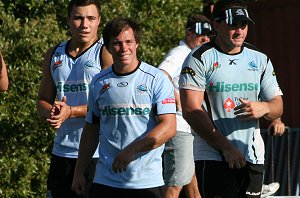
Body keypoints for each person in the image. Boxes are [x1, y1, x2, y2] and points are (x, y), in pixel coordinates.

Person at [179, 0, 283, 197]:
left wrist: (265, 108)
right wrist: (226, 147)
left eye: (243, 25)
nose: (239, 31)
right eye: (232, 25)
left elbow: (278, 105)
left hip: (252, 155)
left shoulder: (260, 58)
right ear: (216, 25)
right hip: (213, 155)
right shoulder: (199, 58)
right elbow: (191, 111)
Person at [71, 17, 176, 198]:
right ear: (108, 47)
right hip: (105, 181)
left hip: (146, 182)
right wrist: (79, 172)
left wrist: (132, 149)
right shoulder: (98, 82)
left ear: (137, 44)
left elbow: (168, 127)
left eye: (129, 42)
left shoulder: (156, 79)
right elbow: (91, 129)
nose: (124, 48)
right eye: (117, 43)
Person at [36, 0, 112, 197]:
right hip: (61, 152)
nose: (85, 24)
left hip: (96, 155)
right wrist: (51, 113)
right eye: (78, 18)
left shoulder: (106, 52)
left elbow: (109, 105)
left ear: (99, 21)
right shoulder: (54, 53)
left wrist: (71, 112)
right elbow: (42, 100)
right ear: (68, 20)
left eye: (91, 18)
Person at [158, 14, 212, 198]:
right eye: (201, 34)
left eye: (209, 35)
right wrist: (179, 102)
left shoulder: (194, 55)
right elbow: (160, 75)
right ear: (189, 34)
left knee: (192, 184)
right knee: (175, 184)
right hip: (179, 128)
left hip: (190, 129)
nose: (206, 38)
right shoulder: (179, 53)